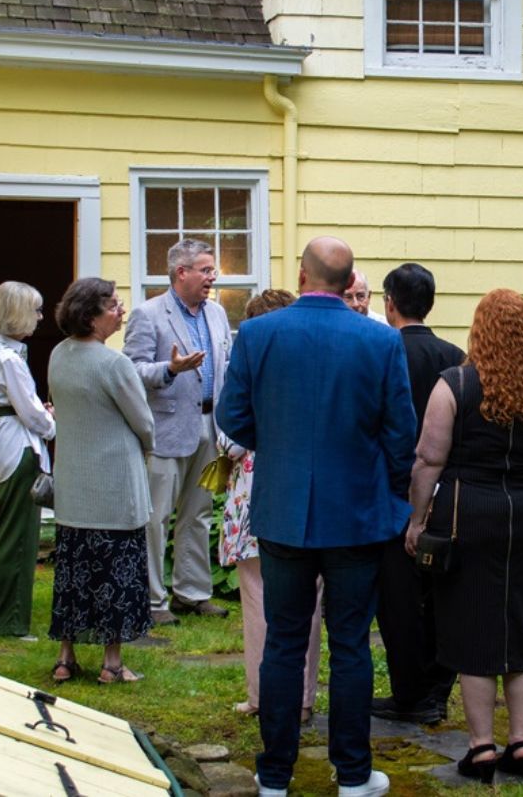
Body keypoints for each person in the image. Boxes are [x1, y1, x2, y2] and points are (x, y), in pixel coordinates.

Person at [217, 236, 416, 797]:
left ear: (303, 277)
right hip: (356, 510)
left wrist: (279, 449)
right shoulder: (379, 341)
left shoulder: (258, 333)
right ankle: (352, 774)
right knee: (351, 643)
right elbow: (401, 436)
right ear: (348, 280)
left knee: (284, 641)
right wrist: (390, 494)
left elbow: (233, 417)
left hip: (282, 508)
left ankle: (274, 774)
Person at [405, 289, 523, 783]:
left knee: (470, 627)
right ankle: (522, 744)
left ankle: (481, 749)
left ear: (478, 330)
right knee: (522, 625)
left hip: (467, 513)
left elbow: (428, 459)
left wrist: (417, 522)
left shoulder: (454, 384)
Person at [218, 288, 323, 724]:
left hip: (255, 492)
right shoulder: (318, 368)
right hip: (308, 492)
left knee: (260, 597)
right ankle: (301, 698)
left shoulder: (248, 370)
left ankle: (263, 696)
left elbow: (229, 439)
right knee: (311, 599)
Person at [47, 277, 155, 684]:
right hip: (113, 484)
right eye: (112, 306)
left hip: (74, 482)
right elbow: (144, 422)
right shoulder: (114, 364)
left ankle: (65, 656)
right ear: (91, 316)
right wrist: (148, 441)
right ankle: (112, 662)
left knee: (74, 572)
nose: (120, 311)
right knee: (116, 572)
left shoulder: (58, 355)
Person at [372, 263, 465, 725]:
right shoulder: (455, 356)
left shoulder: (381, 350)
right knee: (441, 592)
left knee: (398, 599)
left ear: (390, 303)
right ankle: (436, 688)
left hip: (393, 490)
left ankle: (412, 692)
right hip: (446, 491)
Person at [123, 238, 232, 626]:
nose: (212, 276)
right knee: (157, 517)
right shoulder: (148, 314)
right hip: (166, 428)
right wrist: (170, 370)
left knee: (199, 513)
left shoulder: (217, 314)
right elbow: (131, 371)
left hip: (210, 424)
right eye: (205, 269)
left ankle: (193, 592)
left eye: (212, 269)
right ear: (180, 272)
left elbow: (227, 364)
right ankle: (153, 601)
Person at [0, 281, 56, 639]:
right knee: (18, 541)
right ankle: (9, 622)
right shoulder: (8, 359)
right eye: (35, 310)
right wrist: (54, 423)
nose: (39, 317)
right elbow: (33, 416)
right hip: (17, 448)